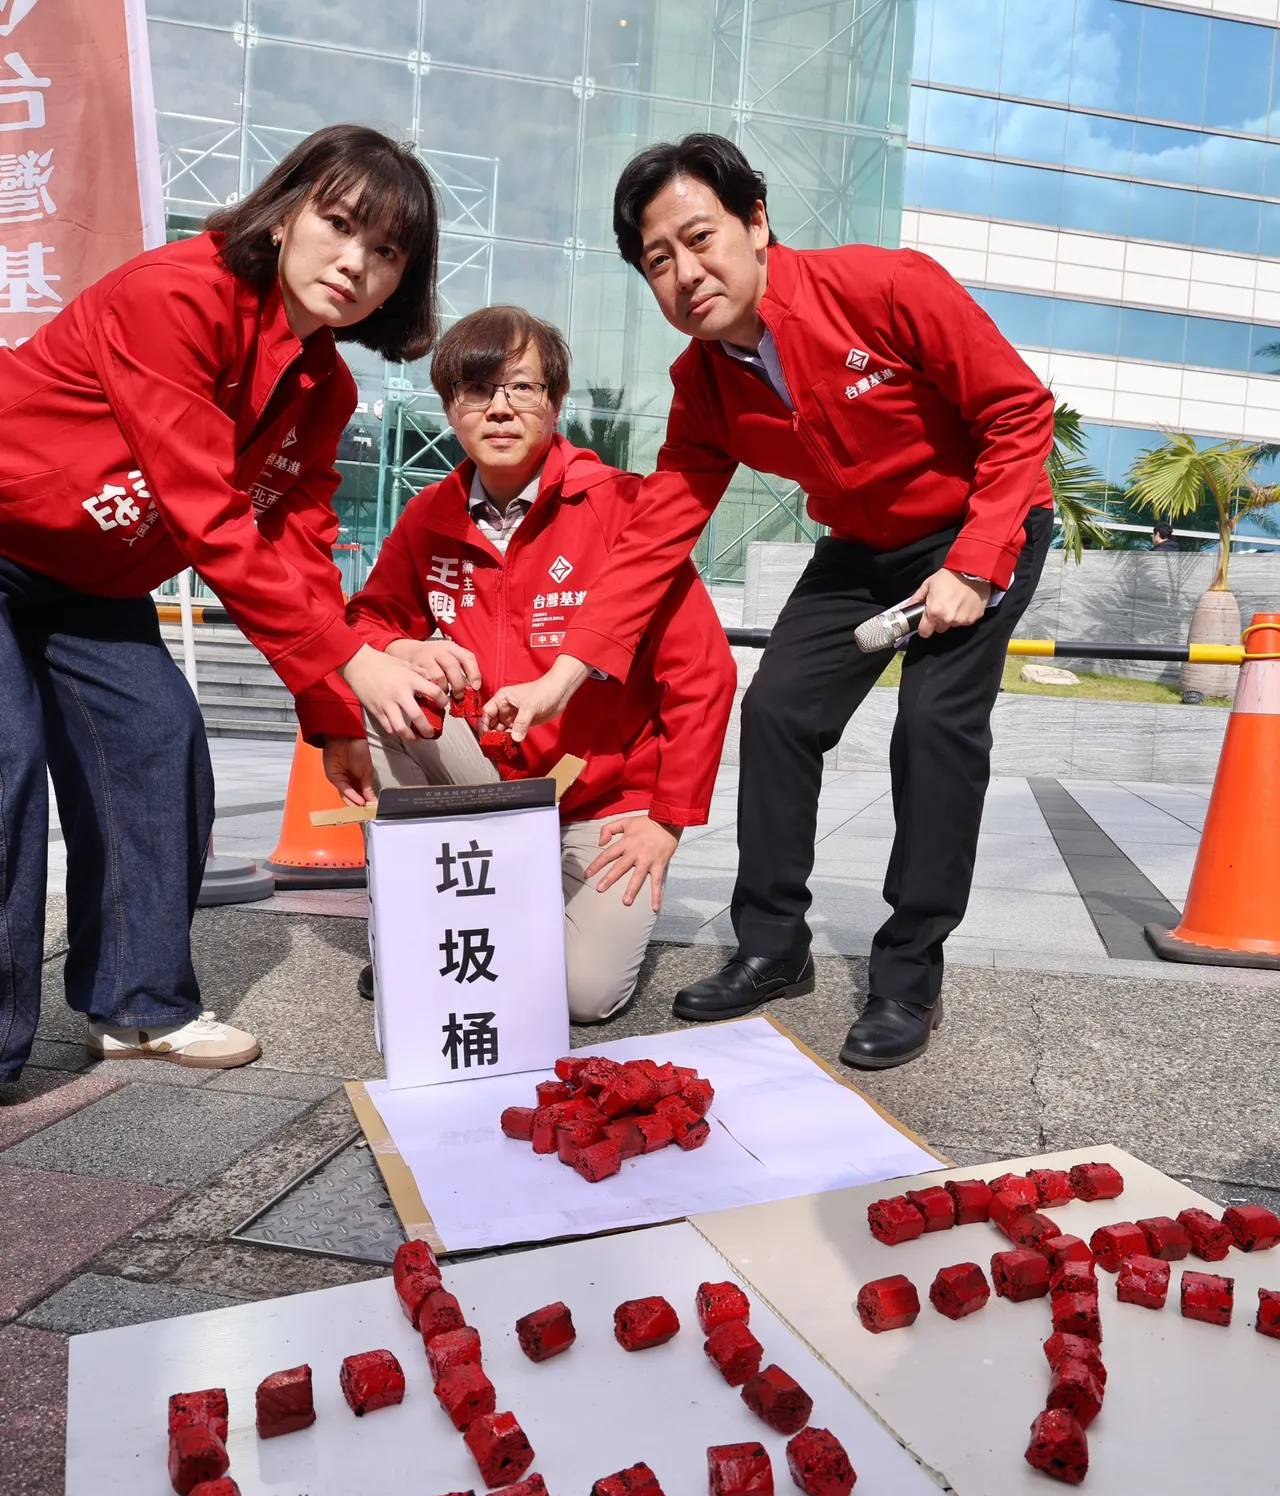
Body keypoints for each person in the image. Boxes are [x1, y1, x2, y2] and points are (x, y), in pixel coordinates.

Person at [483, 134, 1056, 1069]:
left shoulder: (885, 287)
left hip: (983, 523)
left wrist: (976, 561)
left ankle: (909, 975)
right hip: (860, 547)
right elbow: (654, 539)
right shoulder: (702, 385)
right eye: (657, 261)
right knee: (780, 710)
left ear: (755, 222)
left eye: (699, 238)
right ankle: (773, 946)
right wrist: (564, 674)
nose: (685, 273)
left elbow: (1018, 410)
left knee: (933, 726)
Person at [0, 124, 450, 1086]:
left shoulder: (322, 388)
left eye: (386, 253)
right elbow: (206, 513)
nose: (355, 262)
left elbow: (297, 544)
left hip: (92, 584)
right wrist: (354, 660)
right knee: (6, 760)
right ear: (284, 215)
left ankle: (137, 1006)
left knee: (158, 739)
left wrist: (333, 712)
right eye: (339, 224)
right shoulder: (178, 294)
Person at [311, 304, 736, 1023]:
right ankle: (422, 920)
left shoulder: (622, 509)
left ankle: (499, 911)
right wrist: (407, 648)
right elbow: (365, 623)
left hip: (600, 799)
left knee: (582, 996)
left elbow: (702, 673)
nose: (500, 408)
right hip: (486, 782)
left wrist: (666, 820)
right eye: (477, 390)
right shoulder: (429, 516)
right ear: (450, 407)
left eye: (522, 388)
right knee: (375, 691)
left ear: (556, 400)